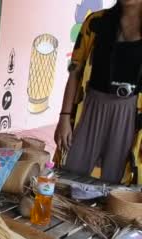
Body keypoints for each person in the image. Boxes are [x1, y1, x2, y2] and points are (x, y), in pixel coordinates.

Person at [54, 0, 142, 184]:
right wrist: (64, 116)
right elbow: (74, 72)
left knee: (115, 182)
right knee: (70, 172)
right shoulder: (95, 22)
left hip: (129, 113)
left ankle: (98, 213)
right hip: (91, 106)